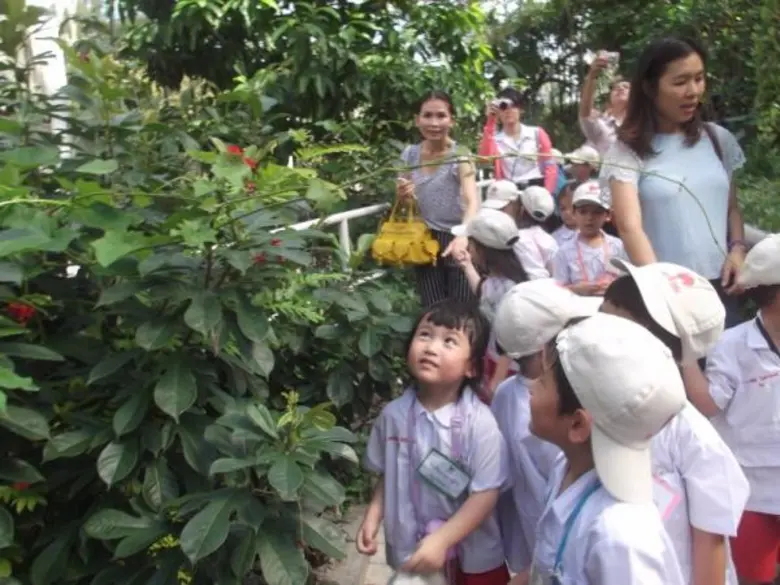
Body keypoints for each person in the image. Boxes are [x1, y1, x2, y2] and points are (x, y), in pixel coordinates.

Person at [601, 260, 750, 585]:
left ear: (658, 341)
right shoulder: (599, 405)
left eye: (612, 320)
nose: (595, 330)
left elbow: (710, 550)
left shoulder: (693, 438)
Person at [524, 313, 687, 585]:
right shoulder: (564, 467)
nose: (530, 387)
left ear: (577, 424)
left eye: (542, 382)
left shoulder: (619, 536)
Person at [357, 301, 511, 585]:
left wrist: (442, 540)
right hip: (413, 548)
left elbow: (486, 494)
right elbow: (389, 473)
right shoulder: (394, 416)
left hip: (472, 557)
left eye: (449, 341)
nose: (431, 347)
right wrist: (373, 515)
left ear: (472, 367)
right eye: (425, 334)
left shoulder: (480, 424)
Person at [600, 37, 747, 327]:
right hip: (664, 297)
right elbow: (630, 227)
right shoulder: (627, 152)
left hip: (723, 290)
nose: (693, 91)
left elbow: (730, 209)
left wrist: (739, 249)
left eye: (699, 79)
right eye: (680, 82)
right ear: (649, 87)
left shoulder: (718, 140)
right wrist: (663, 290)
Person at [680, 234, 780, 585]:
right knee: (752, 575)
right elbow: (708, 404)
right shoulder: (733, 344)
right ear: (773, 295)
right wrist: (687, 354)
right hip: (750, 488)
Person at [491, 279, 596, 577]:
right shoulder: (560, 409)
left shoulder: (505, 394)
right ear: (544, 353)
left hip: (530, 541)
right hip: (565, 545)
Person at [397, 91, 480, 308]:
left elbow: (472, 200)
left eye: (441, 116)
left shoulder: (461, 155)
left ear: (451, 120)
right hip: (424, 240)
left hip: (457, 237)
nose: (434, 123)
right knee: (432, 306)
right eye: (428, 115)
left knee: (462, 307)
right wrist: (403, 195)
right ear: (418, 120)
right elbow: (406, 203)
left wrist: (463, 235)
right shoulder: (409, 155)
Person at [451, 208, 530, 401]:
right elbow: (483, 292)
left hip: (507, 369)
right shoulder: (497, 280)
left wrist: (496, 382)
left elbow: (510, 340)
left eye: (470, 243)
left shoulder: (510, 289)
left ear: (480, 248)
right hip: (493, 359)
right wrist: (467, 266)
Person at [552, 180, 626, 296]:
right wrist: (575, 289)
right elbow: (557, 289)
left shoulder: (618, 246)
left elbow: (628, 281)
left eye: (597, 212)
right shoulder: (564, 251)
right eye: (583, 212)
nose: (589, 218)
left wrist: (615, 287)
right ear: (574, 213)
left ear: (607, 215)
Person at [478, 87, 558, 193]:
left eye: (514, 106)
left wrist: (547, 193)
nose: (508, 111)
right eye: (504, 107)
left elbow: (550, 166)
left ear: (521, 110)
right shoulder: (495, 140)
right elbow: (484, 160)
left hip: (536, 188)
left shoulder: (536, 133)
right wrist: (490, 121)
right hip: (508, 191)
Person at [482, 181, 558, 280]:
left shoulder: (533, 238)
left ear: (517, 204)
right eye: (492, 209)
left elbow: (544, 276)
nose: (496, 213)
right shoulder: (488, 237)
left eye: (502, 208)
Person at [579, 52, 630, 155]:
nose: (620, 88)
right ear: (610, 100)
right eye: (615, 89)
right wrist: (592, 76)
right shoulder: (601, 126)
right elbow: (585, 114)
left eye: (626, 87)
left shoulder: (641, 126)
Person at [551, 181, 579, 247]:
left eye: (572, 207)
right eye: (563, 208)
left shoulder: (596, 233)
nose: (567, 212)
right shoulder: (554, 239)